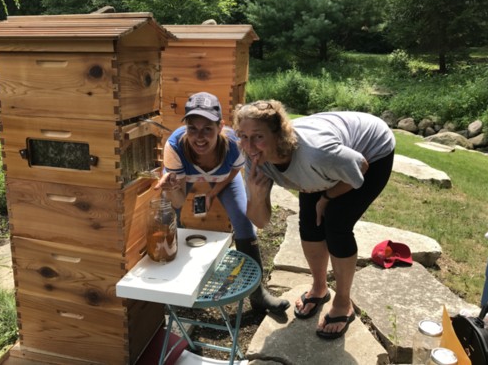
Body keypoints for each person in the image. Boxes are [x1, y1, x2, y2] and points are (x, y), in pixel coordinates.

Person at [233, 100, 395, 339]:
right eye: (243, 137)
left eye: (257, 136)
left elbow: (360, 168)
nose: (249, 146)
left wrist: (326, 197)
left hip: (372, 150)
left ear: (278, 134)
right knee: (309, 225)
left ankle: (343, 303)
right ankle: (319, 288)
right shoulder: (254, 158)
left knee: (337, 223)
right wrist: (256, 196)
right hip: (324, 160)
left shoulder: (317, 153)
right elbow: (261, 221)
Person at [154, 92, 290, 314]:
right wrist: (172, 191)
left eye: (207, 128)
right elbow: (178, 201)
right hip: (185, 176)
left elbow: (235, 170)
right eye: (193, 128)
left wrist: (213, 192)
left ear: (220, 127)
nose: (199, 137)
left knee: (244, 221)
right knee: (168, 216)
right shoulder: (175, 147)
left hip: (223, 176)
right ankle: (173, 286)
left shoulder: (236, 143)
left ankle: (258, 294)